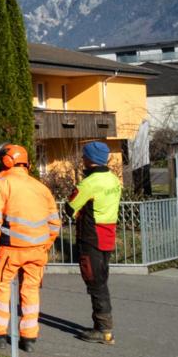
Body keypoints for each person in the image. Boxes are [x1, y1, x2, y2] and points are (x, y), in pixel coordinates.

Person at [0, 143, 60, 353]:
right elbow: (54, 224)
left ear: (7, 160)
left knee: (2, 289)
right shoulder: (40, 187)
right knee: (31, 292)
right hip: (38, 250)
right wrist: (44, 245)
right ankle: (29, 338)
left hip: (11, 250)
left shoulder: (1, 183)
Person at [65, 141, 121, 345]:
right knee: (101, 280)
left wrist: (76, 209)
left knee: (95, 284)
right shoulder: (113, 179)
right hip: (108, 234)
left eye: (84, 156)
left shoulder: (89, 183)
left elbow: (69, 208)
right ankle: (103, 326)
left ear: (90, 159)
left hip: (91, 237)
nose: (82, 159)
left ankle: (103, 330)